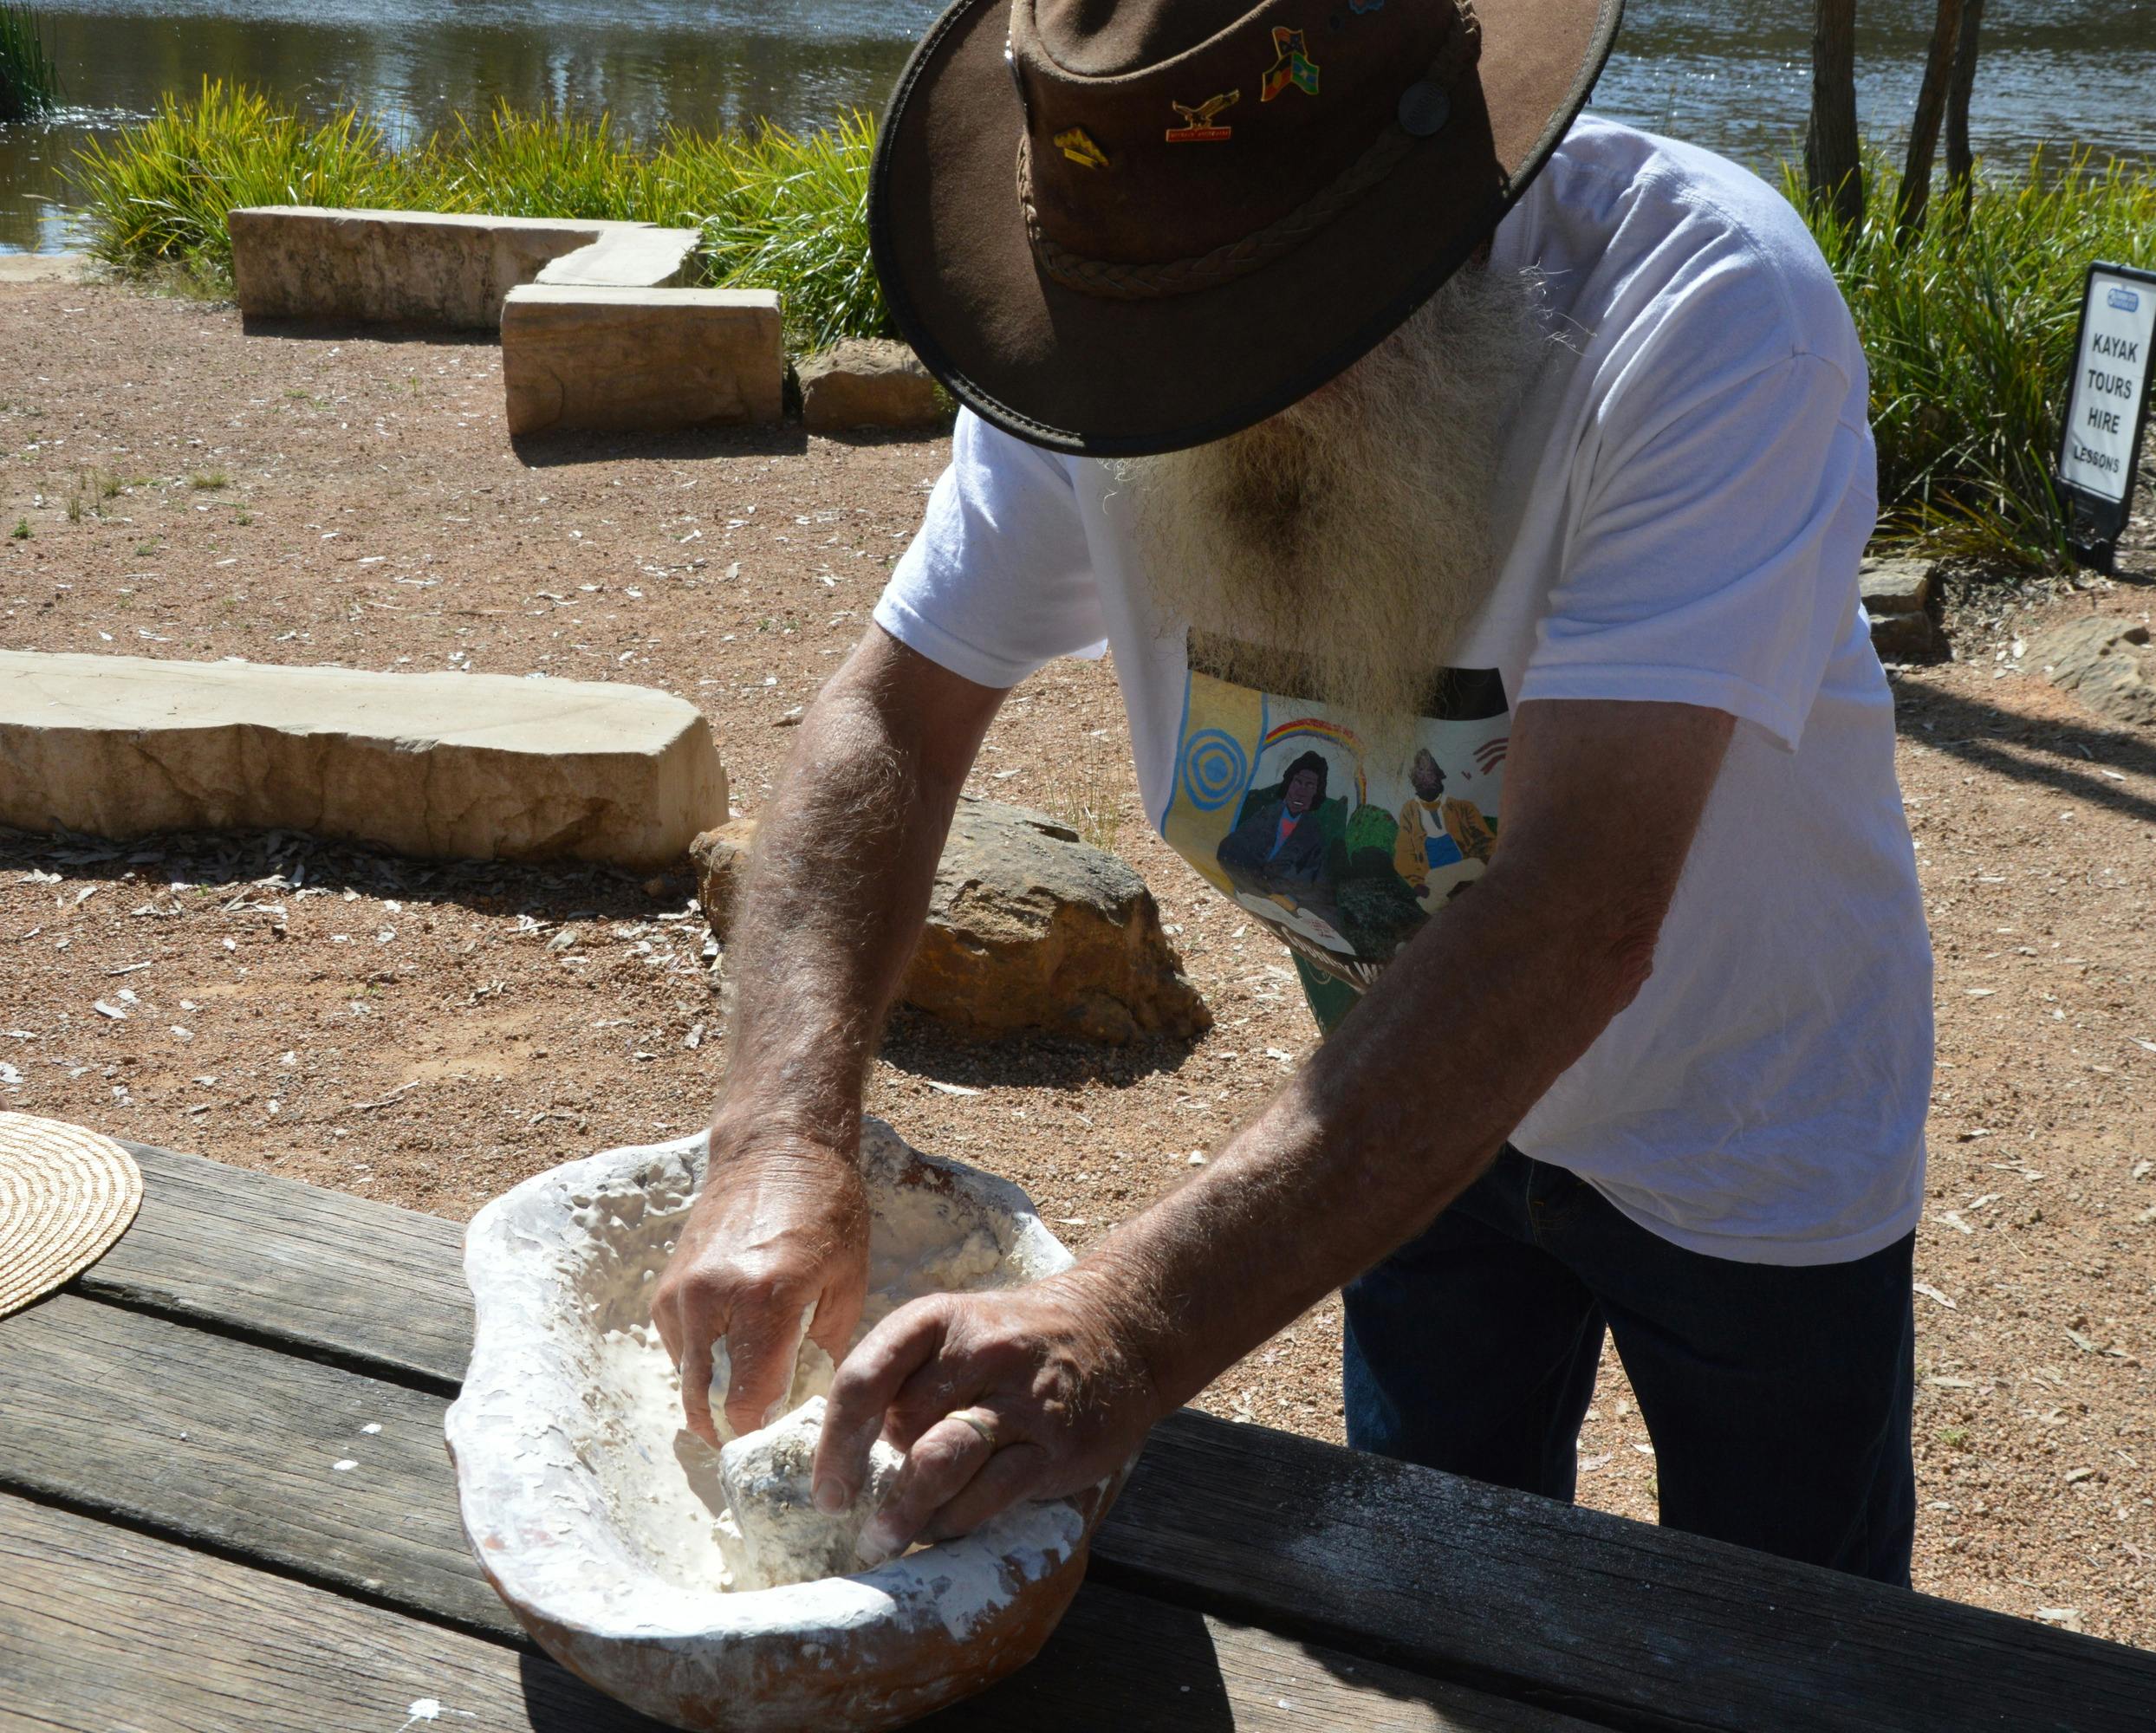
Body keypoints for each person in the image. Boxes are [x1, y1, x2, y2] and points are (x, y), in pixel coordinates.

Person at [653, 0, 1933, 1587]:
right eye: (1159, 342)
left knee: (1783, 1637)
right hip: (1390, 1099)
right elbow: (893, 716)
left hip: (1748, 1114)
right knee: (1429, 1592)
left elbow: (1579, 905)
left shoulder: (1703, 311)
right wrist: (777, 1137)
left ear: (1438, 209)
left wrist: (1125, 1322)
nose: (1191, 396)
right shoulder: (1102, 334)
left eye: (1264, 328)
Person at [1218, 751, 1334, 899]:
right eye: (1297, 782)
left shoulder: (1313, 833)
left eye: (1310, 786)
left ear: (1317, 793)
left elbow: (1313, 880)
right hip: (1247, 892)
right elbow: (1228, 849)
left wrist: (1273, 886)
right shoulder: (1265, 814)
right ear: (1288, 784)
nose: (1301, 792)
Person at [1392, 747, 1494, 907]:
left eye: (1432, 780)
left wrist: (1485, 861)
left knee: (1438, 878)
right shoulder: (1409, 812)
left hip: (1468, 868)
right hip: (1432, 880)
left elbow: (1487, 841)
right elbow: (1403, 854)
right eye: (1423, 783)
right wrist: (1417, 883)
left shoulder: (1463, 807)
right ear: (1416, 786)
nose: (1428, 786)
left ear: (1440, 780)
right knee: (1428, 900)